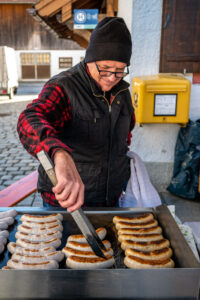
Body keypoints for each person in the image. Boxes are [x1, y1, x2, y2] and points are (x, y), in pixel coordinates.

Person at [17, 17, 135, 212]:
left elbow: (126, 133)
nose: (112, 78)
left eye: (120, 70)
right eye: (105, 69)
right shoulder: (65, 86)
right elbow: (29, 119)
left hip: (110, 199)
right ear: (90, 59)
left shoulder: (122, 91)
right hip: (65, 202)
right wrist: (59, 153)